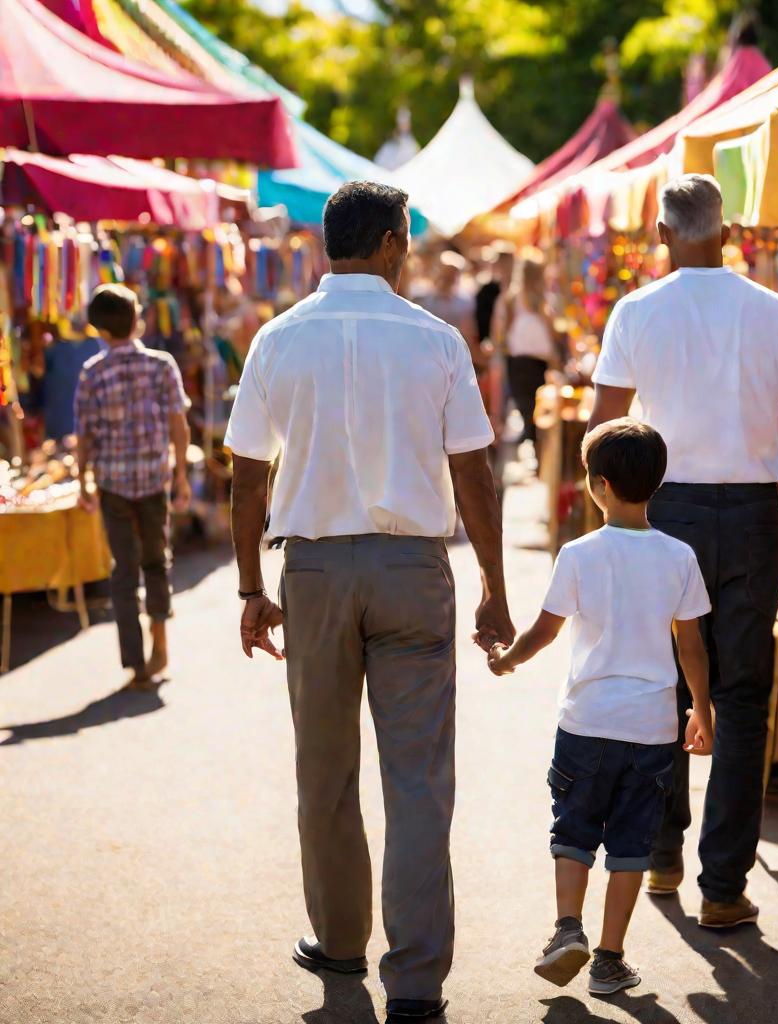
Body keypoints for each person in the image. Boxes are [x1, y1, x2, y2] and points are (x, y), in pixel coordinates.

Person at [224, 181, 513, 1024]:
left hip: (312, 573)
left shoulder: (278, 340)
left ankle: (342, 941)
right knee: (419, 779)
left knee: (326, 770)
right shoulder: (435, 341)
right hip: (413, 572)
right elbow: (474, 471)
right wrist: (495, 583)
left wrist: (249, 586)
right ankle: (417, 978)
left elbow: (248, 474)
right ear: (390, 244)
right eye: (408, 242)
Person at [588, 174, 778, 928]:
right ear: (727, 234)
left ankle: (661, 856)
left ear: (661, 234)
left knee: (664, 681)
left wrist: (605, 525)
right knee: (742, 696)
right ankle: (722, 887)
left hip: (666, 508)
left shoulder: (635, 312)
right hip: (754, 512)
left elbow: (603, 430)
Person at [488, 418, 712, 996]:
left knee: (575, 829)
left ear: (600, 485)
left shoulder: (580, 553)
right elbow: (691, 645)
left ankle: (567, 929)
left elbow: (545, 629)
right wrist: (701, 711)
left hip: (586, 721)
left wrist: (508, 659)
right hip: (652, 728)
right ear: (654, 486)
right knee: (632, 845)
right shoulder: (680, 556)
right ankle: (610, 958)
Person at [74, 284, 191, 687]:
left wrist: (82, 480)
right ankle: (160, 642)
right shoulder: (162, 365)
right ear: (137, 320)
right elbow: (179, 423)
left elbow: (85, 435)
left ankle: (137, 665)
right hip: (154, 480)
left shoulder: (92, 373)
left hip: (113, 486)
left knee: (123, 571)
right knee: (156, 561)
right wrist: (179, 477)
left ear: (101, 332)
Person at [493, 250, 557, 445]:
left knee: (530, 407)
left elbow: (500, 331)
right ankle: (533, 443)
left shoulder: (540, 300)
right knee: (531, 408)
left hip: (527, 361)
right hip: (528, 361)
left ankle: (532, 442)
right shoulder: (516, 299)